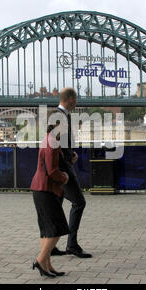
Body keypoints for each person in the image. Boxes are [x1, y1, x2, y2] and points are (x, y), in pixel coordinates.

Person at [52, 87, 92, 258]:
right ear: (69, 99)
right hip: (63, 168)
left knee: (56, 205)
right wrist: (68, 159)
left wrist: (70, 153)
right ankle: (72, 244)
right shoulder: (59, 116)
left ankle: (50, 245)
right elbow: (54, 142)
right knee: (79, 203)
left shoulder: (60, 115)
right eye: (76, 99)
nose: (77, 102)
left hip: (61, 165)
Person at [30, 123, 70, 278]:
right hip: (46, 189)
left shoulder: (47, 139)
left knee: (46, 230)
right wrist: (65, 177)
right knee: (57, 229)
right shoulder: (52, 143)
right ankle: (40, 261)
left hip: (39, 189)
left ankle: (47, 265)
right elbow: (52, 170)